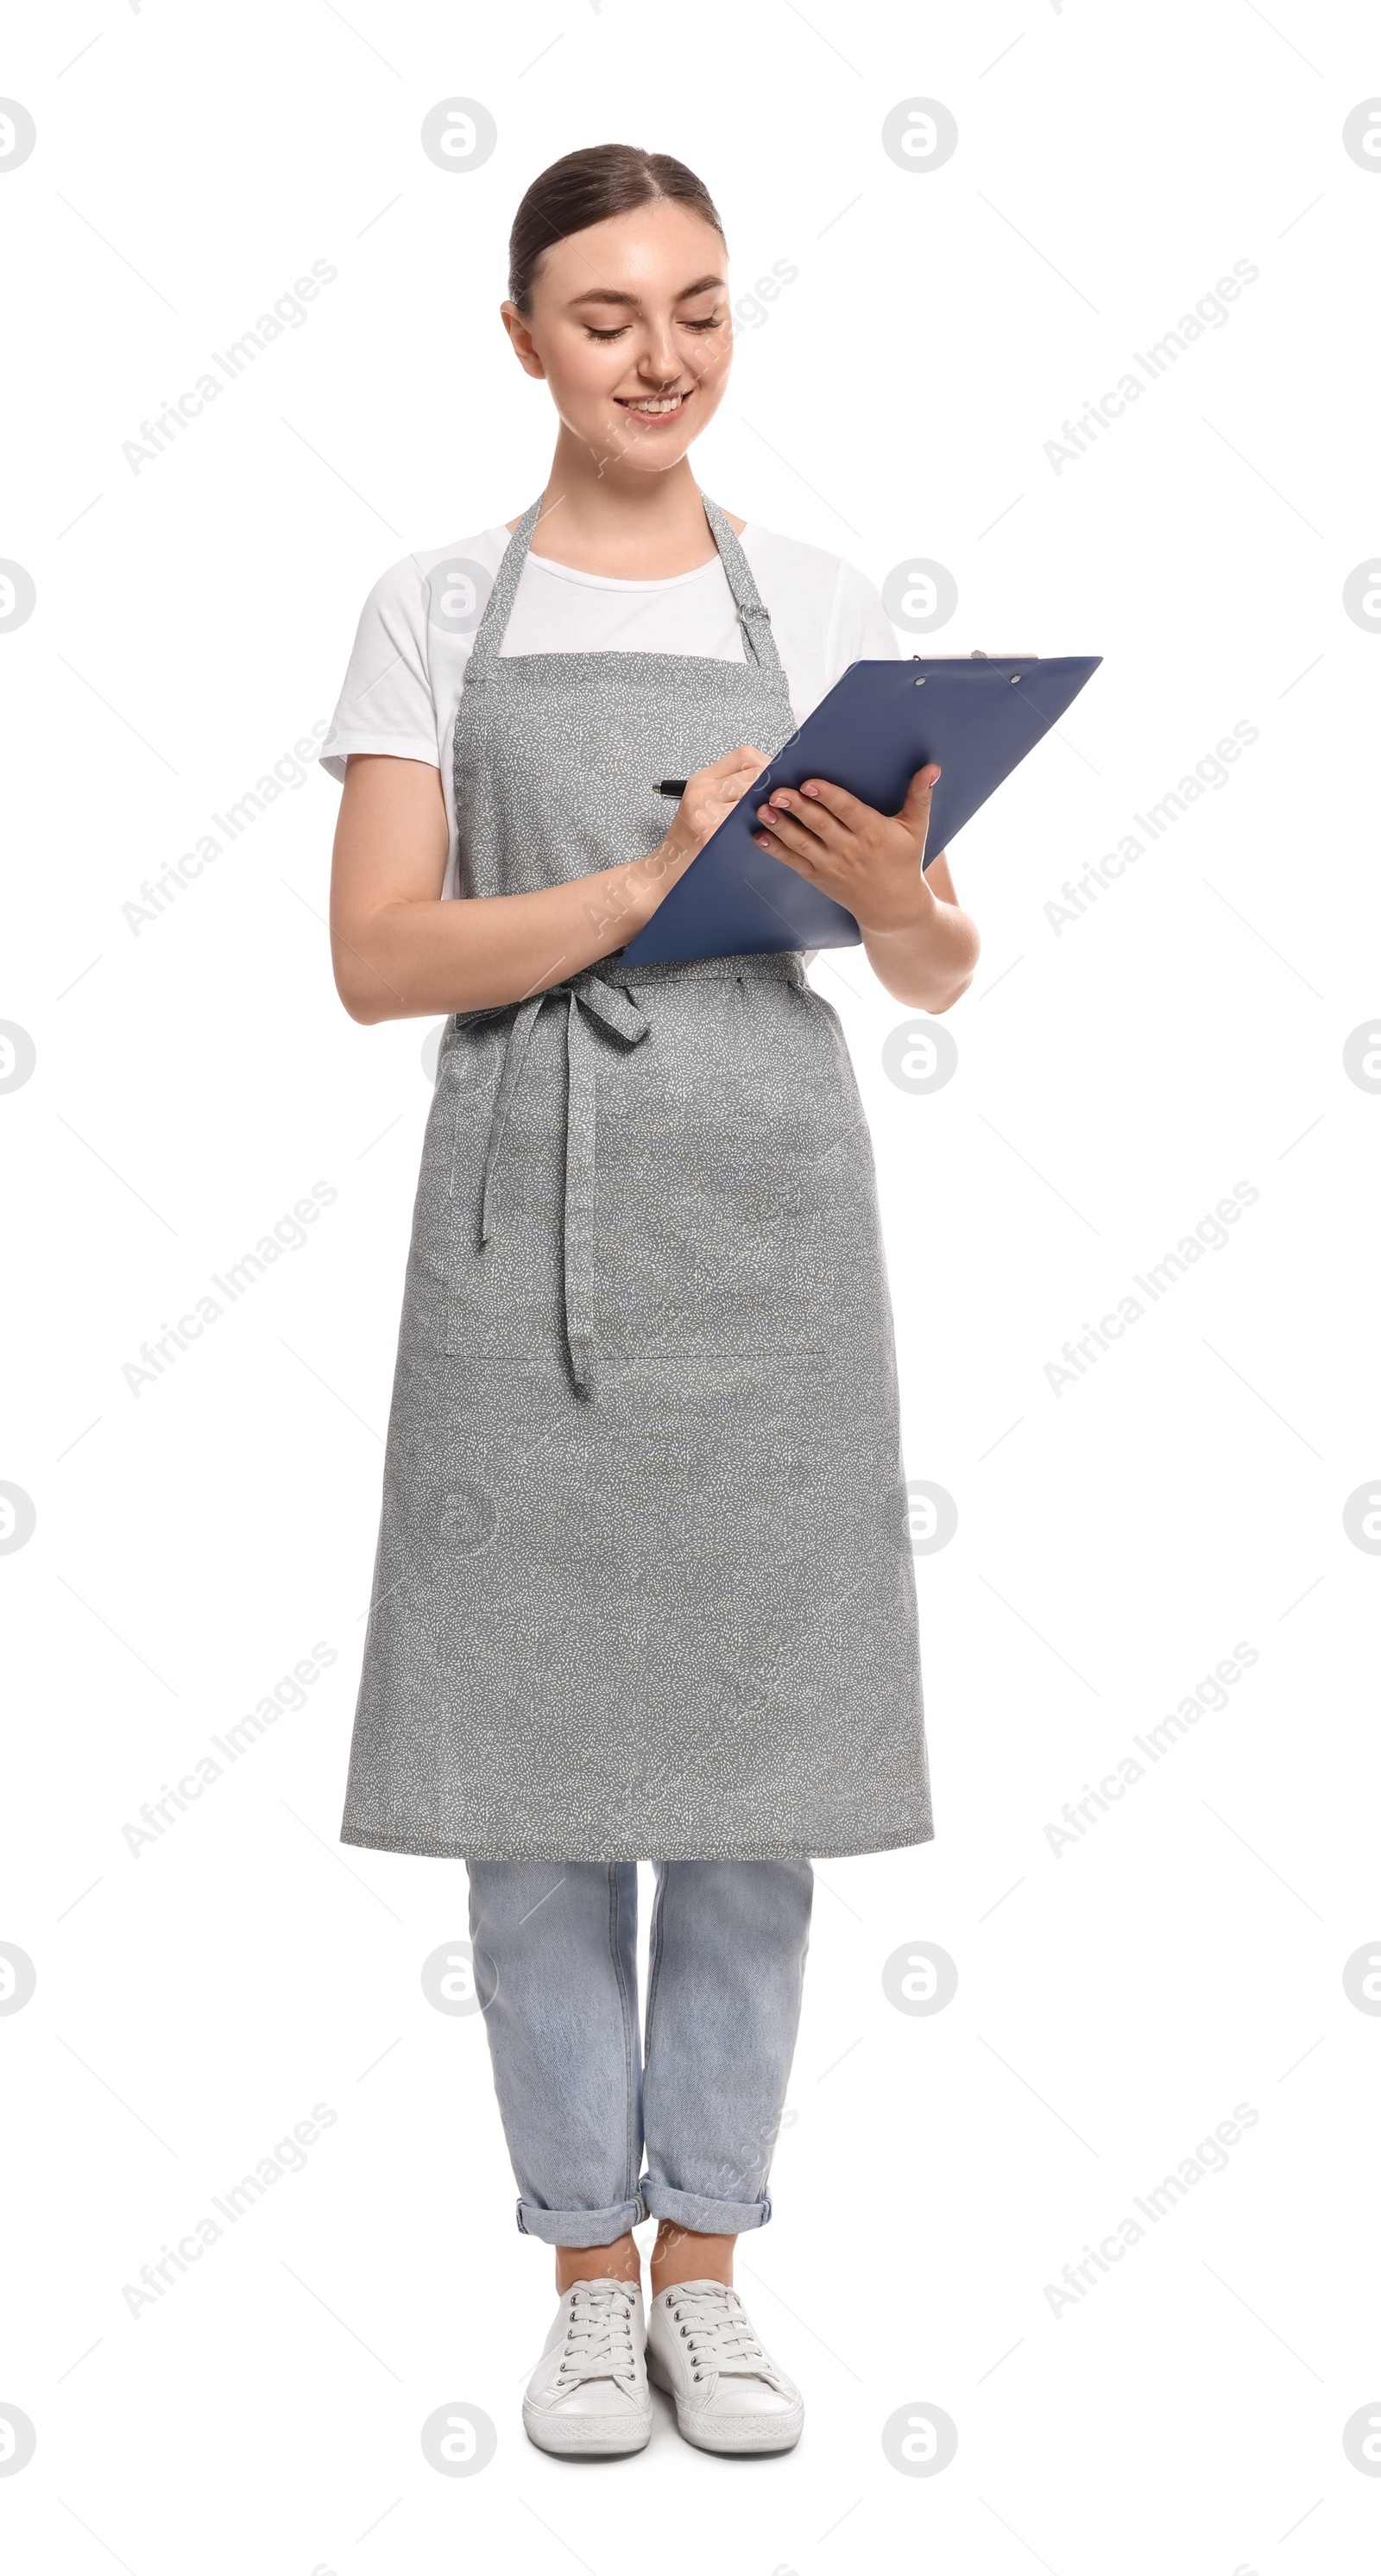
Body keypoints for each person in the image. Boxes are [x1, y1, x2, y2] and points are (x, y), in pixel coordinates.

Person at [321, 142, 980, 2461]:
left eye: (699, 306)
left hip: (772, 1224)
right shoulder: (430, 605)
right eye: (606, 315)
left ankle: (711, 2264)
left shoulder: (812, 597)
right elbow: (379, 958)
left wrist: (897, 886)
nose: (661, 355)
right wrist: (646, 871)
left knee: (753, 1776)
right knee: (529, 1783)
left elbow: (930, 961)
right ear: (521, 339)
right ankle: (583, 2272)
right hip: (526, 1229)